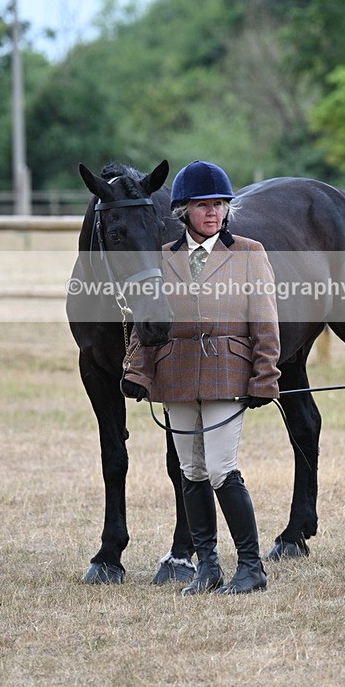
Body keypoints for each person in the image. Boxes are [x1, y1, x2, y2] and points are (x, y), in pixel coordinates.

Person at [121, 160, 281, 595]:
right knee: (190, 470)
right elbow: (143, 322)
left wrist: (265, 377)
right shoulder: (163, 256)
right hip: (174, 371)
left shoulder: (249, 253)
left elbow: (266, 323)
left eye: (220, 204)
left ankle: (251, 567)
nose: (213, 212)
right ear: (183, 211)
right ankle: (207, 565)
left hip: (226, 369)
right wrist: (137, 370)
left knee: (220, 468)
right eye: (203, 205)